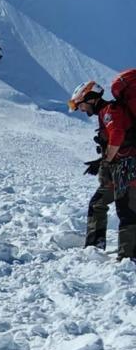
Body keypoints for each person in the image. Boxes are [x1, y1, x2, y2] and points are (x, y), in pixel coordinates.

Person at [69, 79, 136, 260]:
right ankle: (95, 248)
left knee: (127, 211)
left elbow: (117, 137)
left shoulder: (110, 112)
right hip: (117, 169)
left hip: (128, 169)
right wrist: (101, 162)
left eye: (81, 105)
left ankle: (129, 258)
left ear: (91, 99)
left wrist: (104, 161)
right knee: (97, 203)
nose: (81, 110)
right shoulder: (105, 113)